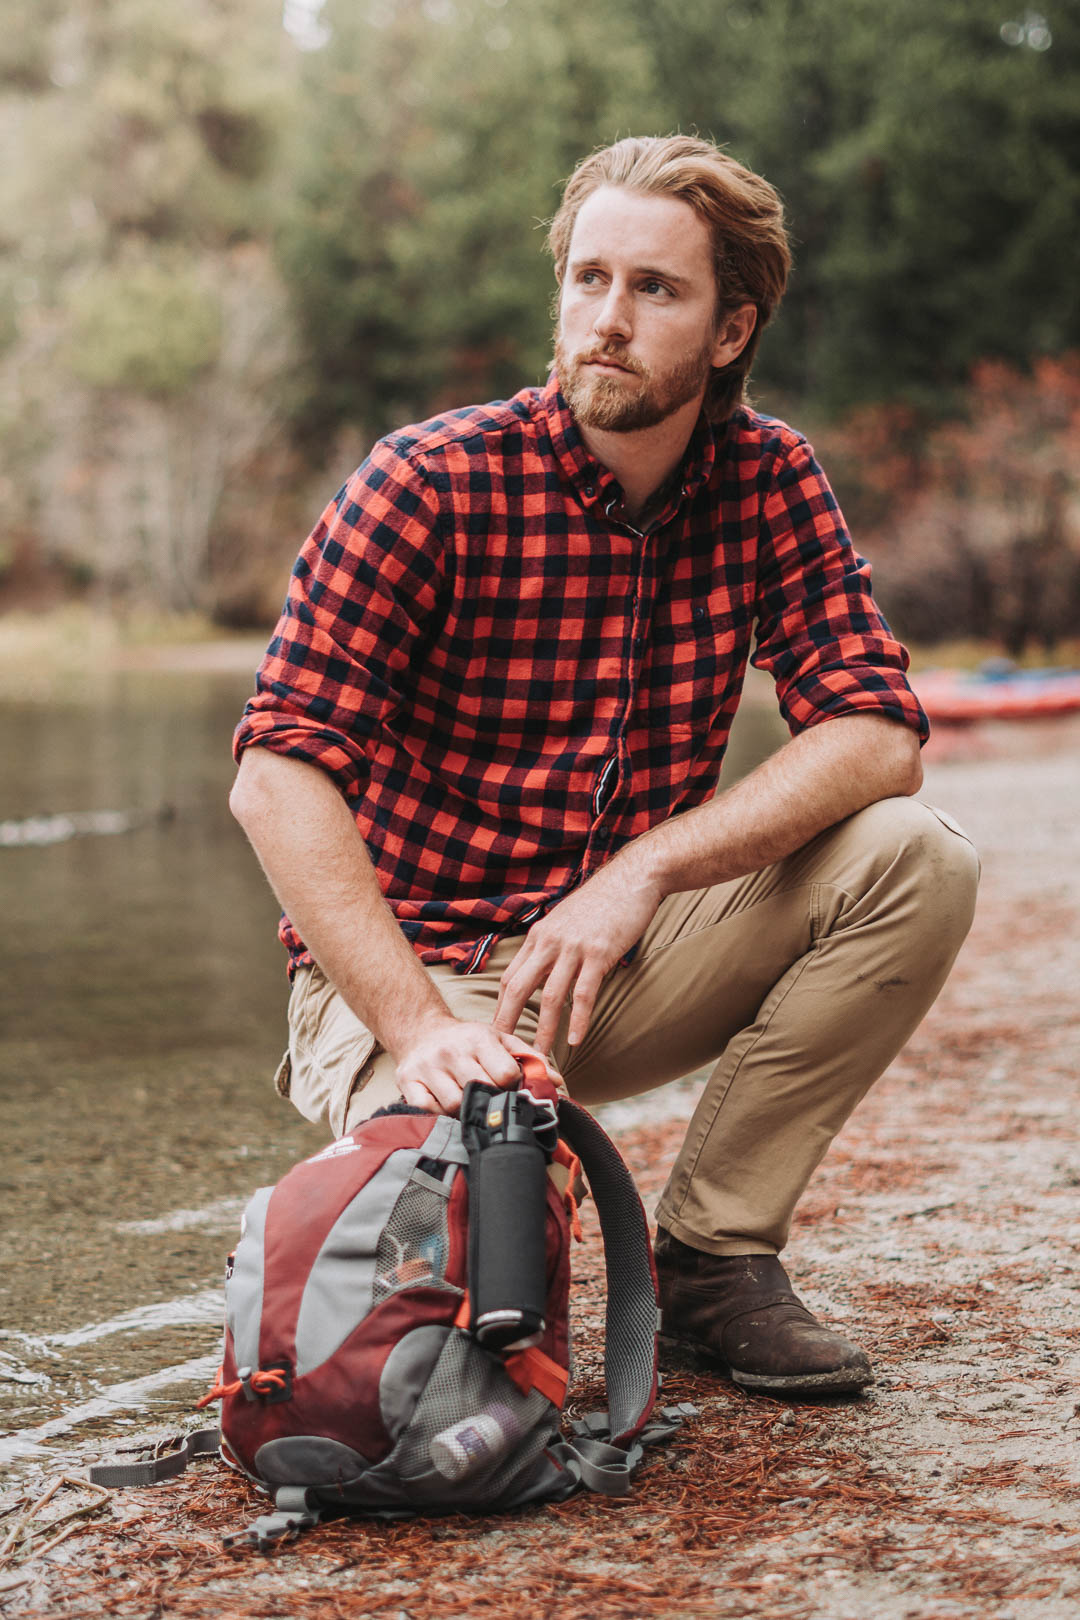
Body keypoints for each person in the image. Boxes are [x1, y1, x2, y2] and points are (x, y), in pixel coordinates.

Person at [230, 135, 979, 1398]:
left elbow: (878, 733)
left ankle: (712, 1258)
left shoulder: (768, 477)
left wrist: (648, 869)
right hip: (424, 980)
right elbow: (276, 773)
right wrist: (412, 1027)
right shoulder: (427, 482)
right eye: (588, 281)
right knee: (467, 1322)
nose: (608, 320)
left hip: (621, 960)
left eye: (655, 290)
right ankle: (466, 1148)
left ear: (731, 329)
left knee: (916, 860)